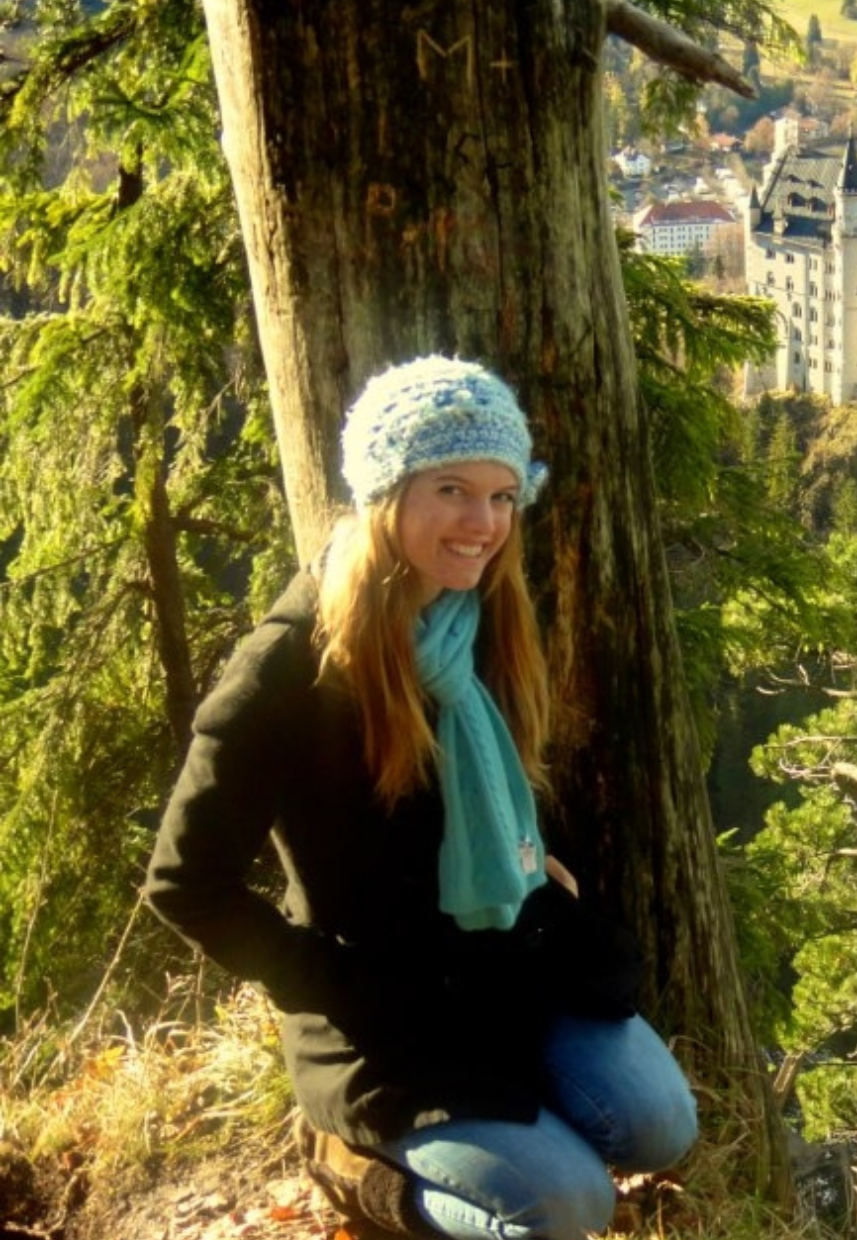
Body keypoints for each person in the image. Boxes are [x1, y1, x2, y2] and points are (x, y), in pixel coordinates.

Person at [145, 356, 697, 1240]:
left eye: (503, 496)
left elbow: (492, 795)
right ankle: (358, 1170)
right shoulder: (286, 670)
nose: (483, 525)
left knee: (663, 1127)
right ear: (384, 492)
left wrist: (532, 872)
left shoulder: (480, 617)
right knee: (565, 1207)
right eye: (452, 489)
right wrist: (328, 982)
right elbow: (184, 884)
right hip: (383, 1012)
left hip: (509, 959)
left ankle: (509, 1132)